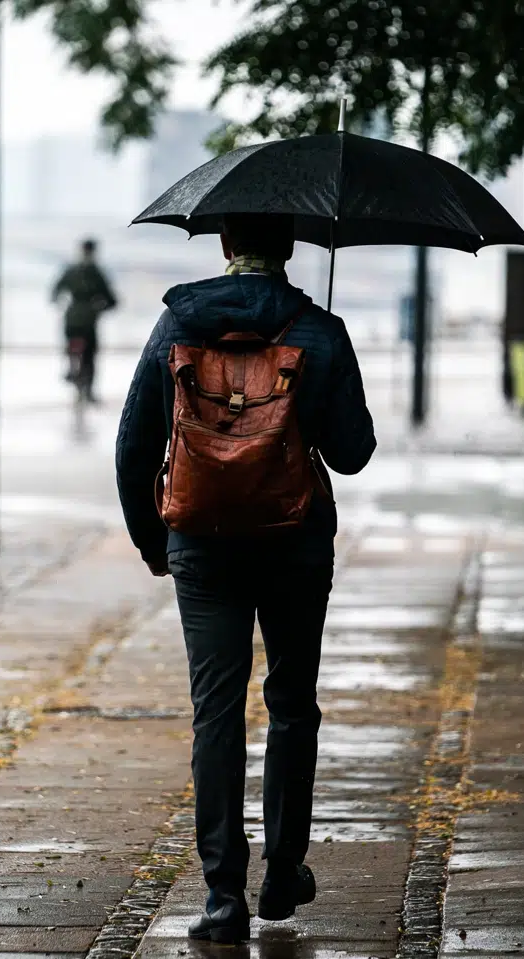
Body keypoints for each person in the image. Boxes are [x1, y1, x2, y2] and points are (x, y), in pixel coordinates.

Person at [114, 212, 375, 943]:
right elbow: (353, 452)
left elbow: (134, 443)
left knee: (217, 712)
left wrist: (153, 541)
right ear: (289, 248)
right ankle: (284, 872)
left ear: (225, 245)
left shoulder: (178, 325)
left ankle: (223, 895)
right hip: (294, 542)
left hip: (201, 542)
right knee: (292, 704)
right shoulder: (318, 328)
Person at [51, 237, 118, 403]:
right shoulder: (96, 272)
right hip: (89, 319)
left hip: (71, 317)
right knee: (90, 354)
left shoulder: (71, 270)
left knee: (70, 343)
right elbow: (111, 299)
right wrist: (102, 308)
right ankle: (89, 391)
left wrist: (61, 302)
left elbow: (56, 291)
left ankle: (70, 367)